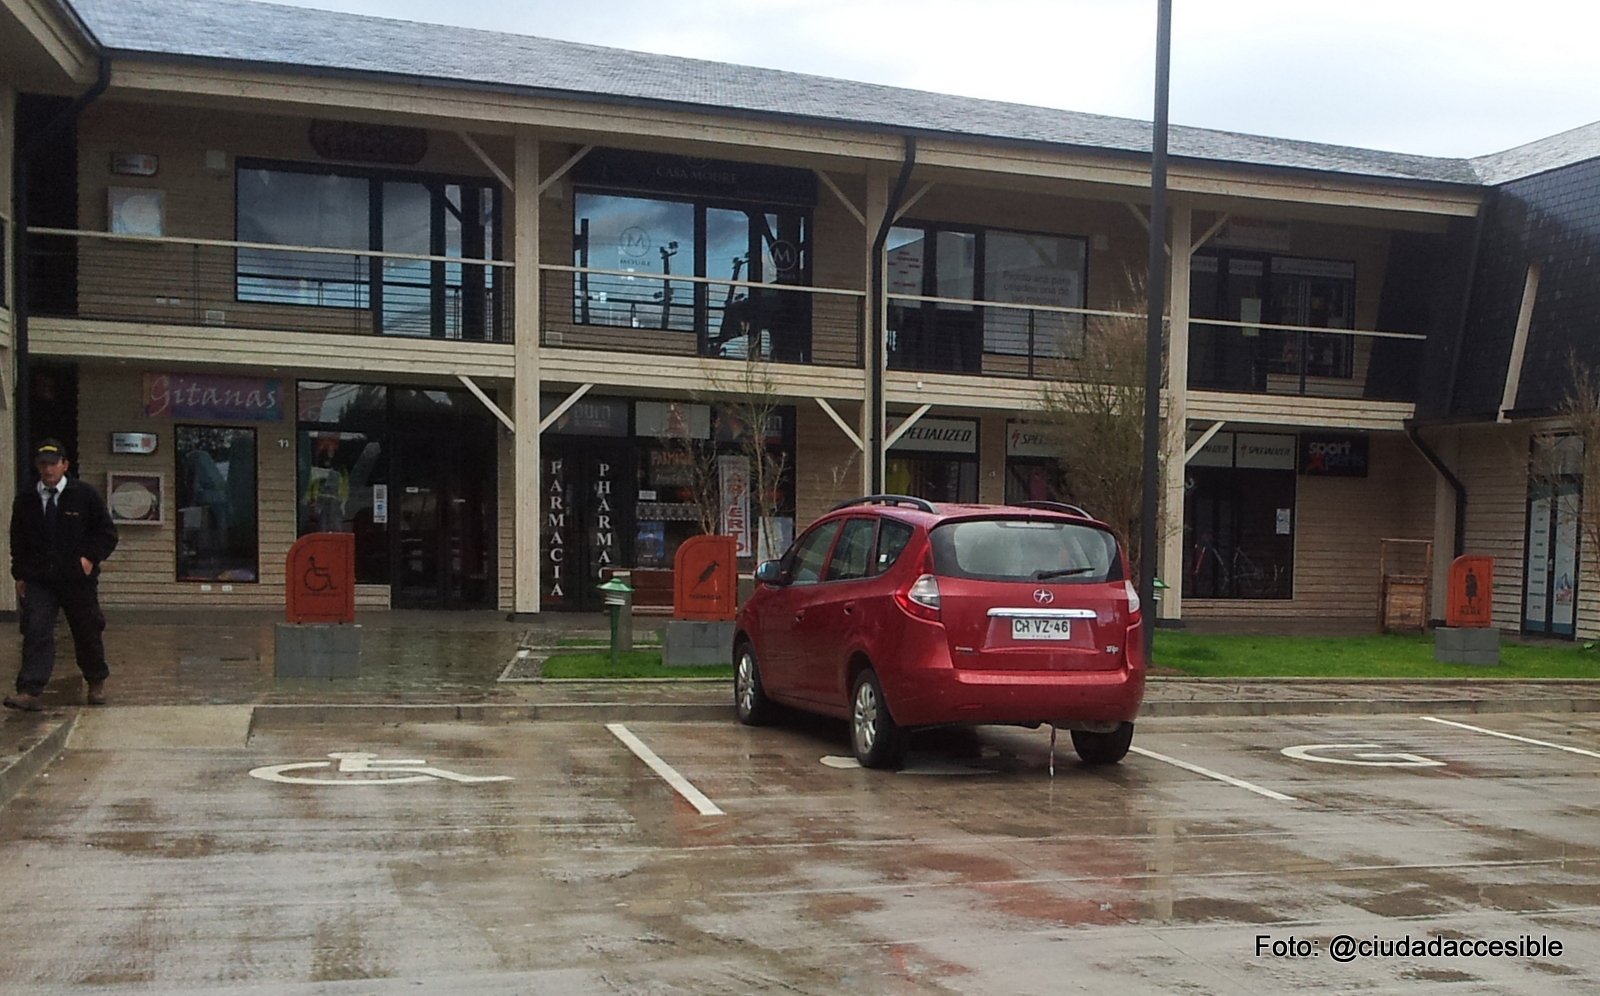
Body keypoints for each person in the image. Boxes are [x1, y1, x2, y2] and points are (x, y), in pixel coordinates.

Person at [4, 439, 119, 711]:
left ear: (64, 465)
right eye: (43, 464)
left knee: (87, 630)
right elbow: (18, 541)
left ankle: (96, 681)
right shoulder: (26, 500)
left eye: (53, 464)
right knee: (36, 629)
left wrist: (89, 558)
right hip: (39, 579)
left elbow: (107, 534)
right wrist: (19, 574)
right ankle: (30, 690)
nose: (48, 469)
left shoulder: (84, 495)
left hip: (76, 579)